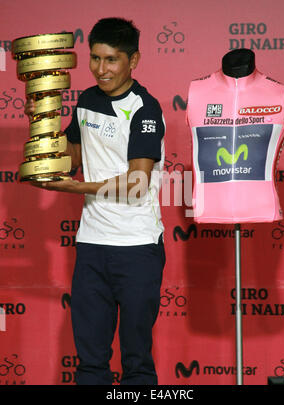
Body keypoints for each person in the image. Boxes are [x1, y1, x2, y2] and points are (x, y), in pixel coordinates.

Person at [25, 17, 166, 385]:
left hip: (137, 246)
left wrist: (75, 189)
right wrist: (41, 124)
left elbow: (137, 183)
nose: (101, 69)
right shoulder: (86, 100)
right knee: (90, 362)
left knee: (136, 362)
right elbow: (72, 156)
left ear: (133, 60)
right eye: (95, 59)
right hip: (91, 245)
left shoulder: (144, 109)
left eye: (112, 60)